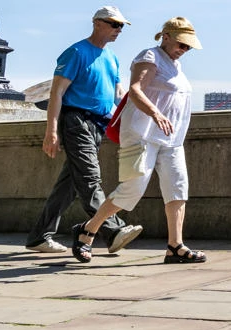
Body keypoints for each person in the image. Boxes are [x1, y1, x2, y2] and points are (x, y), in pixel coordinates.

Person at [71, 17, 206, 265]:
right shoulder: (150, 56)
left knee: (177, 189)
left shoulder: (176, 66)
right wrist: (155, 113)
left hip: (171, 139)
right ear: (165, 37)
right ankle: (88, 230)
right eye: (181, 44)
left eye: (187, 47)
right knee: (132, 190)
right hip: (141, 135)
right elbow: (135, 89)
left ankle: (175, 246)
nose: (183, 51)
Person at [25, 6, 143, 255]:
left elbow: (117, 96)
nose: (118, 30)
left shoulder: (111, 58)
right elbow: (57, 93)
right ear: (96, 23)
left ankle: (39, 236)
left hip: (98, 124)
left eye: (121, 26)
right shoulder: (75, 52)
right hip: (76, 121)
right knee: (90, 177)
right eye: (114, 24)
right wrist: (52, 131)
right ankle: (111, 229)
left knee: (69, 184)